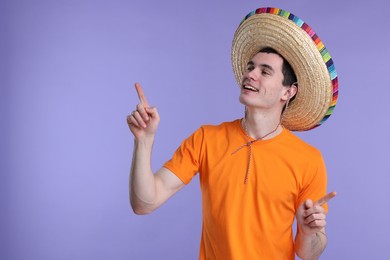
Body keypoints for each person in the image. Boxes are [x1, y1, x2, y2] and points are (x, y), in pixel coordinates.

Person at [127, 7, 338, 260]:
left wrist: (308, 232)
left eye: (265, 71)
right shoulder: (206, 139)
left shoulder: (309, 160)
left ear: (288, 92)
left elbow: (309, 254)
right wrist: (144, 141)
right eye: (250, 67)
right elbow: (144, 203)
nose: (250, 74)